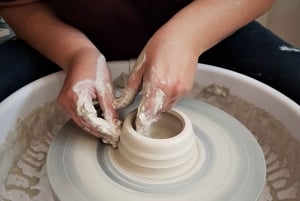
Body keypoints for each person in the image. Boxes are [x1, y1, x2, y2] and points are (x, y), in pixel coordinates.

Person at [1, 0, 299, 145]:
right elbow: (17, 3)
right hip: (67, 36)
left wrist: (189, 35)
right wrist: (75, 53)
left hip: (208, 24)